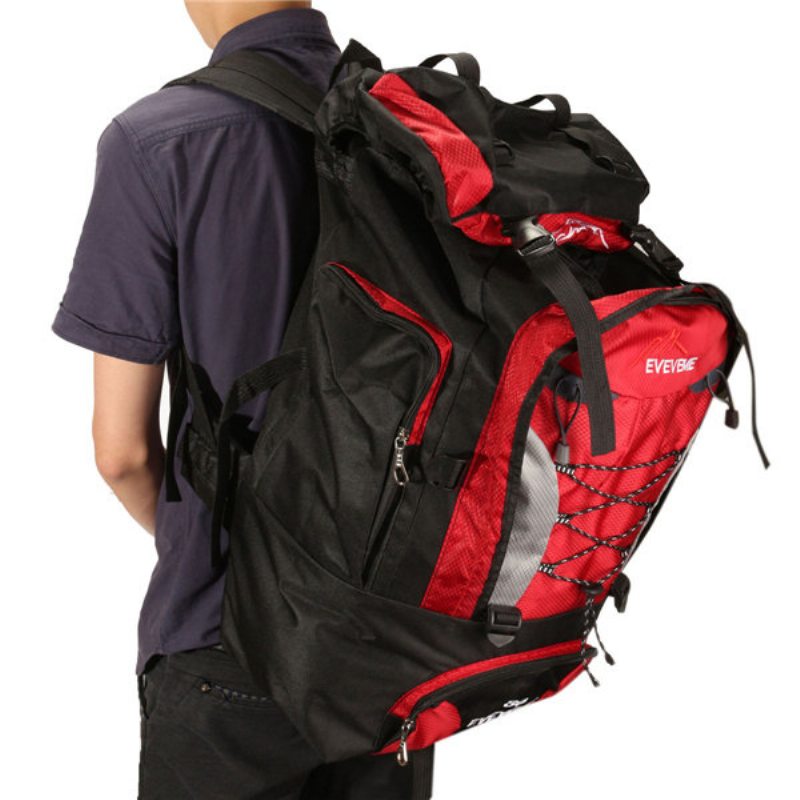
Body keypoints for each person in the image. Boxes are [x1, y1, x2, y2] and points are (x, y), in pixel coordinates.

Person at [52, 3, 433, 798]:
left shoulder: (157, 140)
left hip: (227, 632)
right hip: (393, 642)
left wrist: (228, 550)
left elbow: (121, 453)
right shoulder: (418, 131)